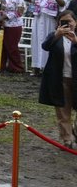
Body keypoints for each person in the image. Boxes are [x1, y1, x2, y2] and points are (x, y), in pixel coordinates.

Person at [37, 11, 77, 147]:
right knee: (63, 112)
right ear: (58, 24)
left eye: (69, 21)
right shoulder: (54, 37)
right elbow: (45, 46)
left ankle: (75, 133)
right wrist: (56, 35)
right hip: (60, 79)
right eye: (63, 22)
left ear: (75, 23)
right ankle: (67, 139)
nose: (67, 24)